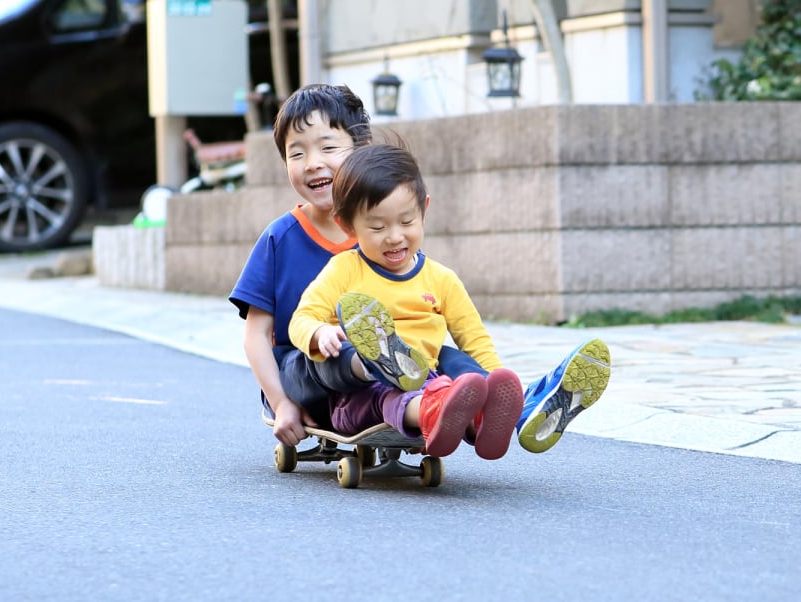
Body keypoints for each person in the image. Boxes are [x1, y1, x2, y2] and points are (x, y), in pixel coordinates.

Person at [289, 143, 612, 458]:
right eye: (377, 226)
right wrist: (319, 333)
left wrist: (500, 386)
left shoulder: (441, 278)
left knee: (461, 366)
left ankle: (506, 412)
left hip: (428, 378)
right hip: (359, 392)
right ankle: (416, 392)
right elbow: (301, 320)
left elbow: (474, 338)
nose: (395, 236)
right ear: (348, 225)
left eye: (406, 221)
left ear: (424, 210)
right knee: (383, 386)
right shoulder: (345, 269)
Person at [230, 85, 490, 449]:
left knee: (440, 353)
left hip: (395, 370)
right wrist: (281, 403)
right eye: (296, 153)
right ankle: (374, 364)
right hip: (307, 371)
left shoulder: (382, 232)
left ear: (360, 149)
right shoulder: (279, 239)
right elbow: (256, 336)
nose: (312, 162)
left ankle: (484, 409)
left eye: (328, 147)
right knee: (336, 351)